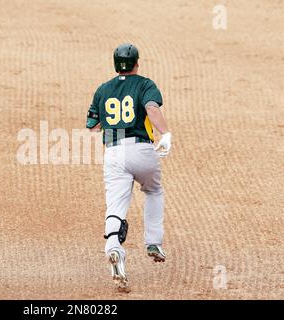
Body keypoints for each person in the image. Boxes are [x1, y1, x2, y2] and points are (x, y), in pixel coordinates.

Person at [86, 43, 172, 293]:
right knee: (153, 191)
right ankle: (153, 242)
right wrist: (165, 133)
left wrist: (112, 121)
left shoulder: (103, 89)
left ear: (115, 65)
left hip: (113, 153)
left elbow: (92, 125)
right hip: (141, 149)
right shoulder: (145, 84)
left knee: (115, 205)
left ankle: (113, 246)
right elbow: (152, 108)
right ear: (137, 63)